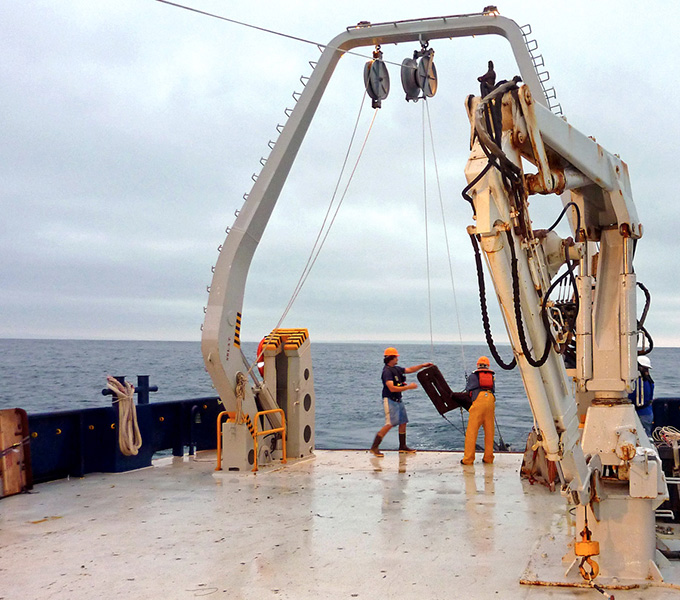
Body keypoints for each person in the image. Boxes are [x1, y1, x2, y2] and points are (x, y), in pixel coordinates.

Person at [369, 347, 432, 457]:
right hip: (390, 400)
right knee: (389, 424)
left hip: (398, 400)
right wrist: (409, 387)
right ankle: (374, 447)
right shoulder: (387, 372)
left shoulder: (396, 369)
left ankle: (402, 446)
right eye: (396, 357)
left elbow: (410, 370)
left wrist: (422, 365)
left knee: (403, 422)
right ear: (391, 358)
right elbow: (391, 388)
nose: (397, 358)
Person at [461, 356, 496, 465]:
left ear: (478, 365)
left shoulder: (473, 375)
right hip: (490, 401)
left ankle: (468, 459)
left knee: (472, 432)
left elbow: (468, 389)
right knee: (489, 432)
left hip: (478, 402)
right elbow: (493, 390)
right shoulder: (492, 376)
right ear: (488, 365)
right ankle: (488, 458)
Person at [629, 355, 655, 437]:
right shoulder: (649, 381)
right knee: (647, 436)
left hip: (638, 413)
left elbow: (630, 397)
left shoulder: (635, 382)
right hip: (647, 412)